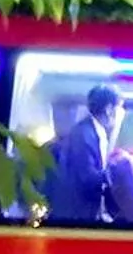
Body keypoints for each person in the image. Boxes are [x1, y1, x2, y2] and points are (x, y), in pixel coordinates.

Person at [45, 85, 123, 222]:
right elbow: (87, 178)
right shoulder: (83, 136)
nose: (121, 113)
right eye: (119, 108)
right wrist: (117, 172)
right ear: (109, 109)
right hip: (76, 215)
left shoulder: (93, 132)